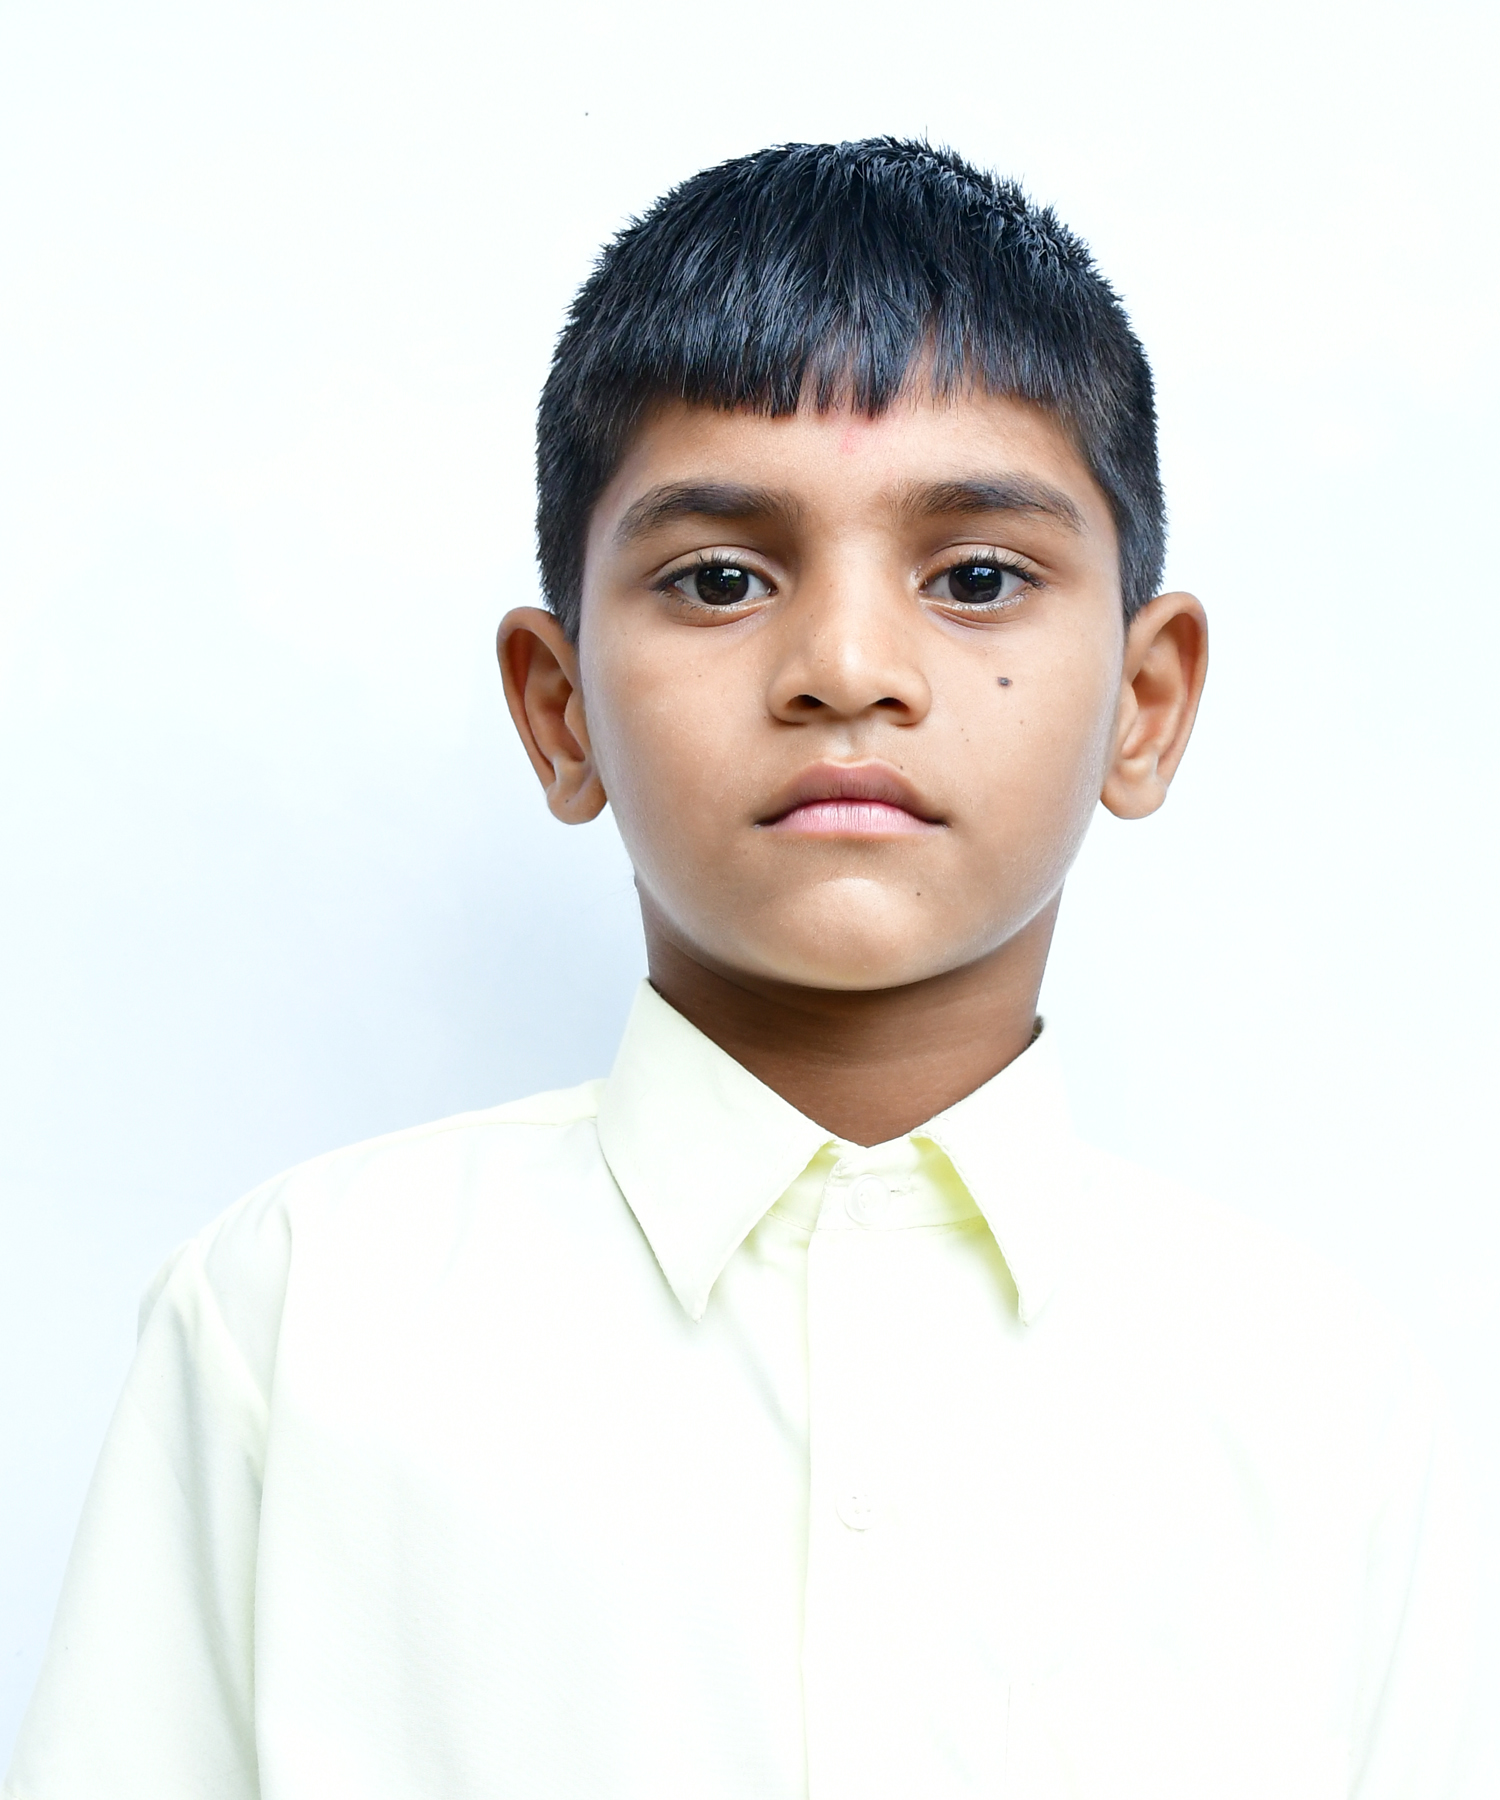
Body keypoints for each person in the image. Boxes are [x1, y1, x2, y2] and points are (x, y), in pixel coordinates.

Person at [6, 139, 1479, 1800]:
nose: (846, 668)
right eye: (721, 579)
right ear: (560, 710)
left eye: (976, 578)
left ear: (1145, 704)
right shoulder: (293, 1323)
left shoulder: (1320, 1406)